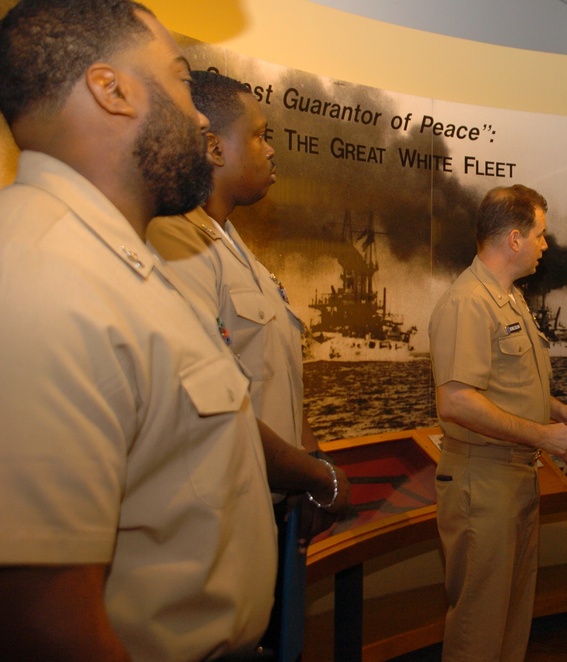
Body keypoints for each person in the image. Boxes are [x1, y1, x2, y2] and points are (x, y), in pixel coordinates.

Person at [0, 1, 278, 660]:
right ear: (111, 89)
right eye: (182, 83)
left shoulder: (120, 267)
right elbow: (43, 623)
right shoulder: (41, 275)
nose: (202, 117)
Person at [146, 70, 350, 652]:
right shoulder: (176, 242)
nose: (271, 149)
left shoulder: (236, 251)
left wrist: (309, 462)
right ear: (214, 147)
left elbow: (277, 379)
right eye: (259, 135)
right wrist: (320, 476)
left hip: (271, 506)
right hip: (218, 518)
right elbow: (208, 408)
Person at [429, 184, 567, 660]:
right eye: (541, 235)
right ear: (516, 239)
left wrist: (554, 408)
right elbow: (457, 403)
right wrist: (542, 434)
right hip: (482, 482)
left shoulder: (511, 299)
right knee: (479, 627)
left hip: (513, 480)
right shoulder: (468, 302)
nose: (546, 245)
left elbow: (507, 385)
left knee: (511, 618)